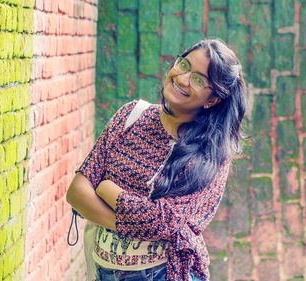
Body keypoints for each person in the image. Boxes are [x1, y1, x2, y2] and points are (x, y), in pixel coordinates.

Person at [67, 38, 246, 281]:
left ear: (212, 99)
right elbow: (77, 192)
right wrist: (133, 223)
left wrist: (107, 189)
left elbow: (164, 221)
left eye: (198, 80)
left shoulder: (211, 154)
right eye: (184, 65)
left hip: (164, 273)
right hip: (102, 270)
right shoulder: (131, 116)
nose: (182, 79)